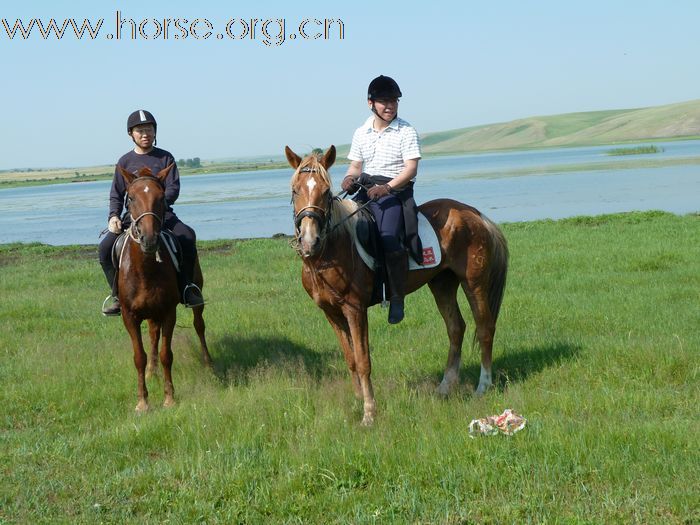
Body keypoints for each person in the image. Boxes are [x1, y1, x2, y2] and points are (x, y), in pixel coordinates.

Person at [98, 109, 204, 316]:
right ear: (131, 134)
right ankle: (118, 296)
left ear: (155, 132)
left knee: (187, 237)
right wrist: (113, 216)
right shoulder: (124, 162)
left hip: (162, 214)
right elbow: (116, 194)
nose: (145, 133)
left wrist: (155, 207)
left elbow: (173, 188)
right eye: (140, 130)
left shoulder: (165, 157)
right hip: (133, 219)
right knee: (104, 249)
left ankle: (186, 288)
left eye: (149, 129)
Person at [341, 75, 422, 324]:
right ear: (370, 103)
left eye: (394, 101)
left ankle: (397, 297)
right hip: (367, 189)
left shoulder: (406, 130)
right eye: (384, 102)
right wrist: (348, 178)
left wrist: (386, 187)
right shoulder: (361, 132)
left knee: (388, 239)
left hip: (395, 192)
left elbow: (410, 169)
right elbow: (355, 165)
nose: (390, 106)